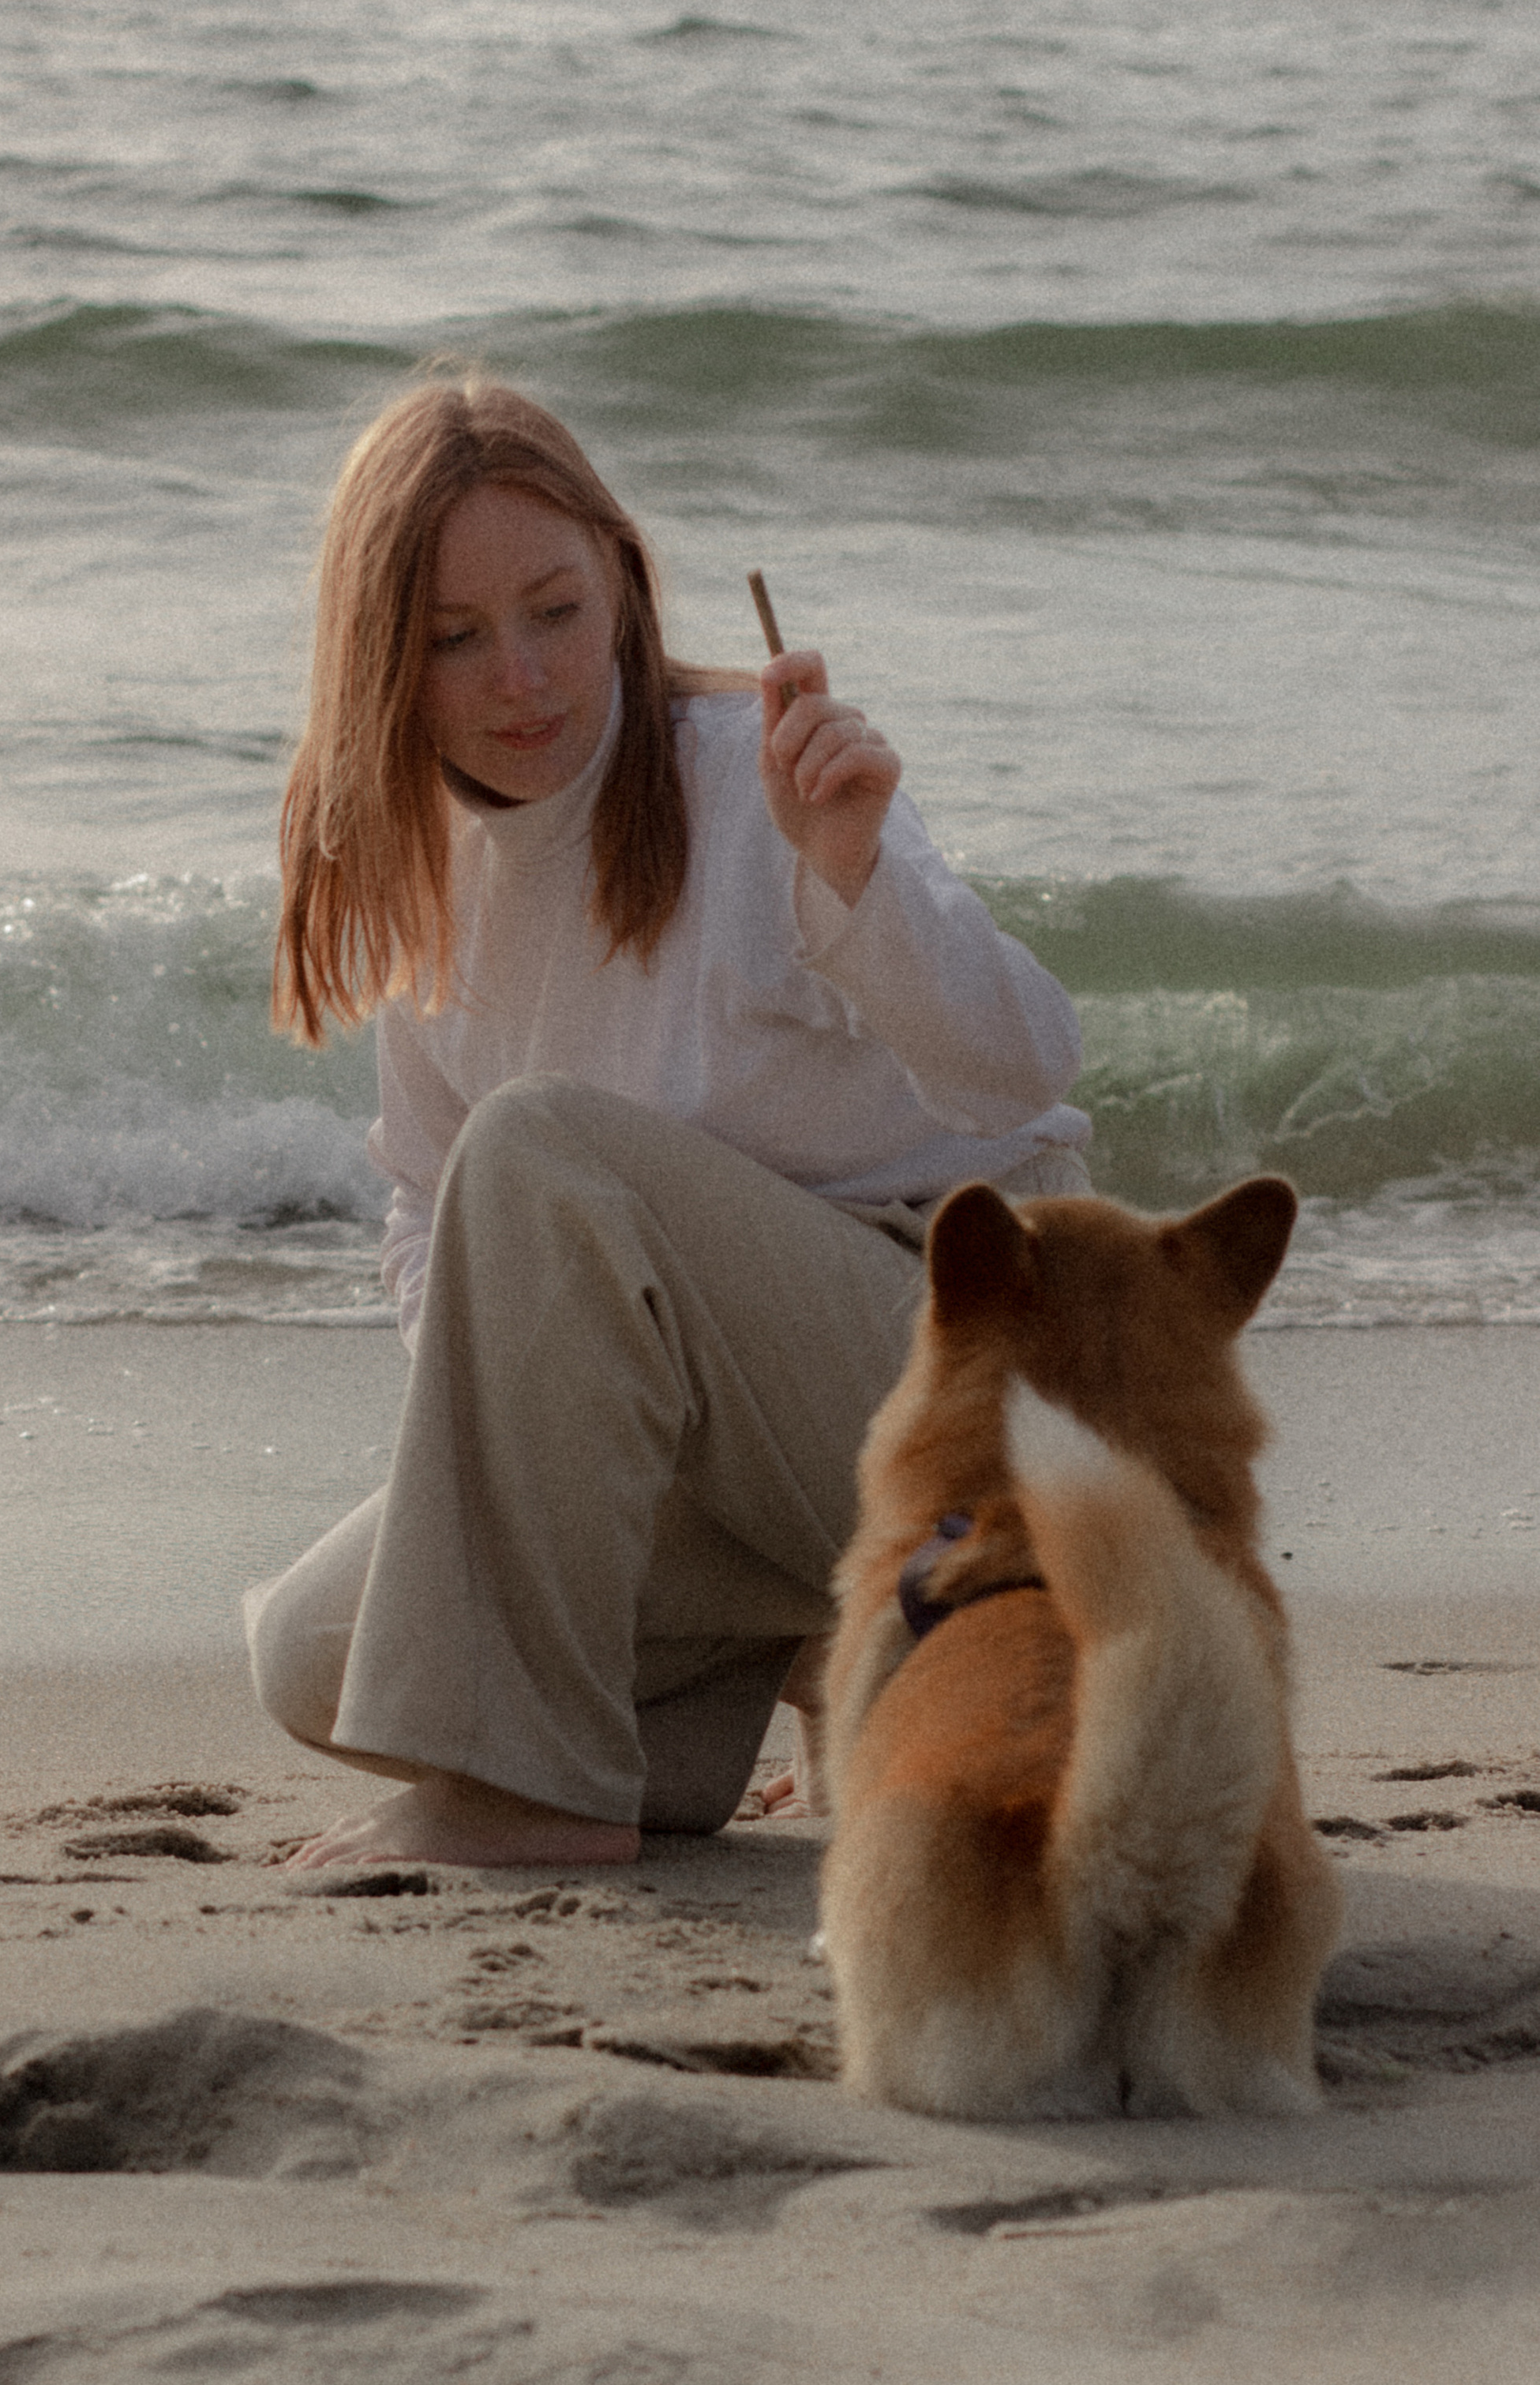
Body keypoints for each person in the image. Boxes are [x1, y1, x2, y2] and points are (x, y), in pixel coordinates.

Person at [245, 377, 1090, 1870]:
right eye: (455, 637)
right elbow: (423, 1209)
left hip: (968, 1367)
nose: (522, 676)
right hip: (718, 1438)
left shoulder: (745, 774)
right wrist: (521, 1438)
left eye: (556, 610)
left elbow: (1026, 1070)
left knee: (541, 1150)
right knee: (319, 1653)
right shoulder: (433, 876)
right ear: (387, 662)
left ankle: (544, 1793)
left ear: (623, 584)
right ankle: (815, 1658)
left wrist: (855, 881)